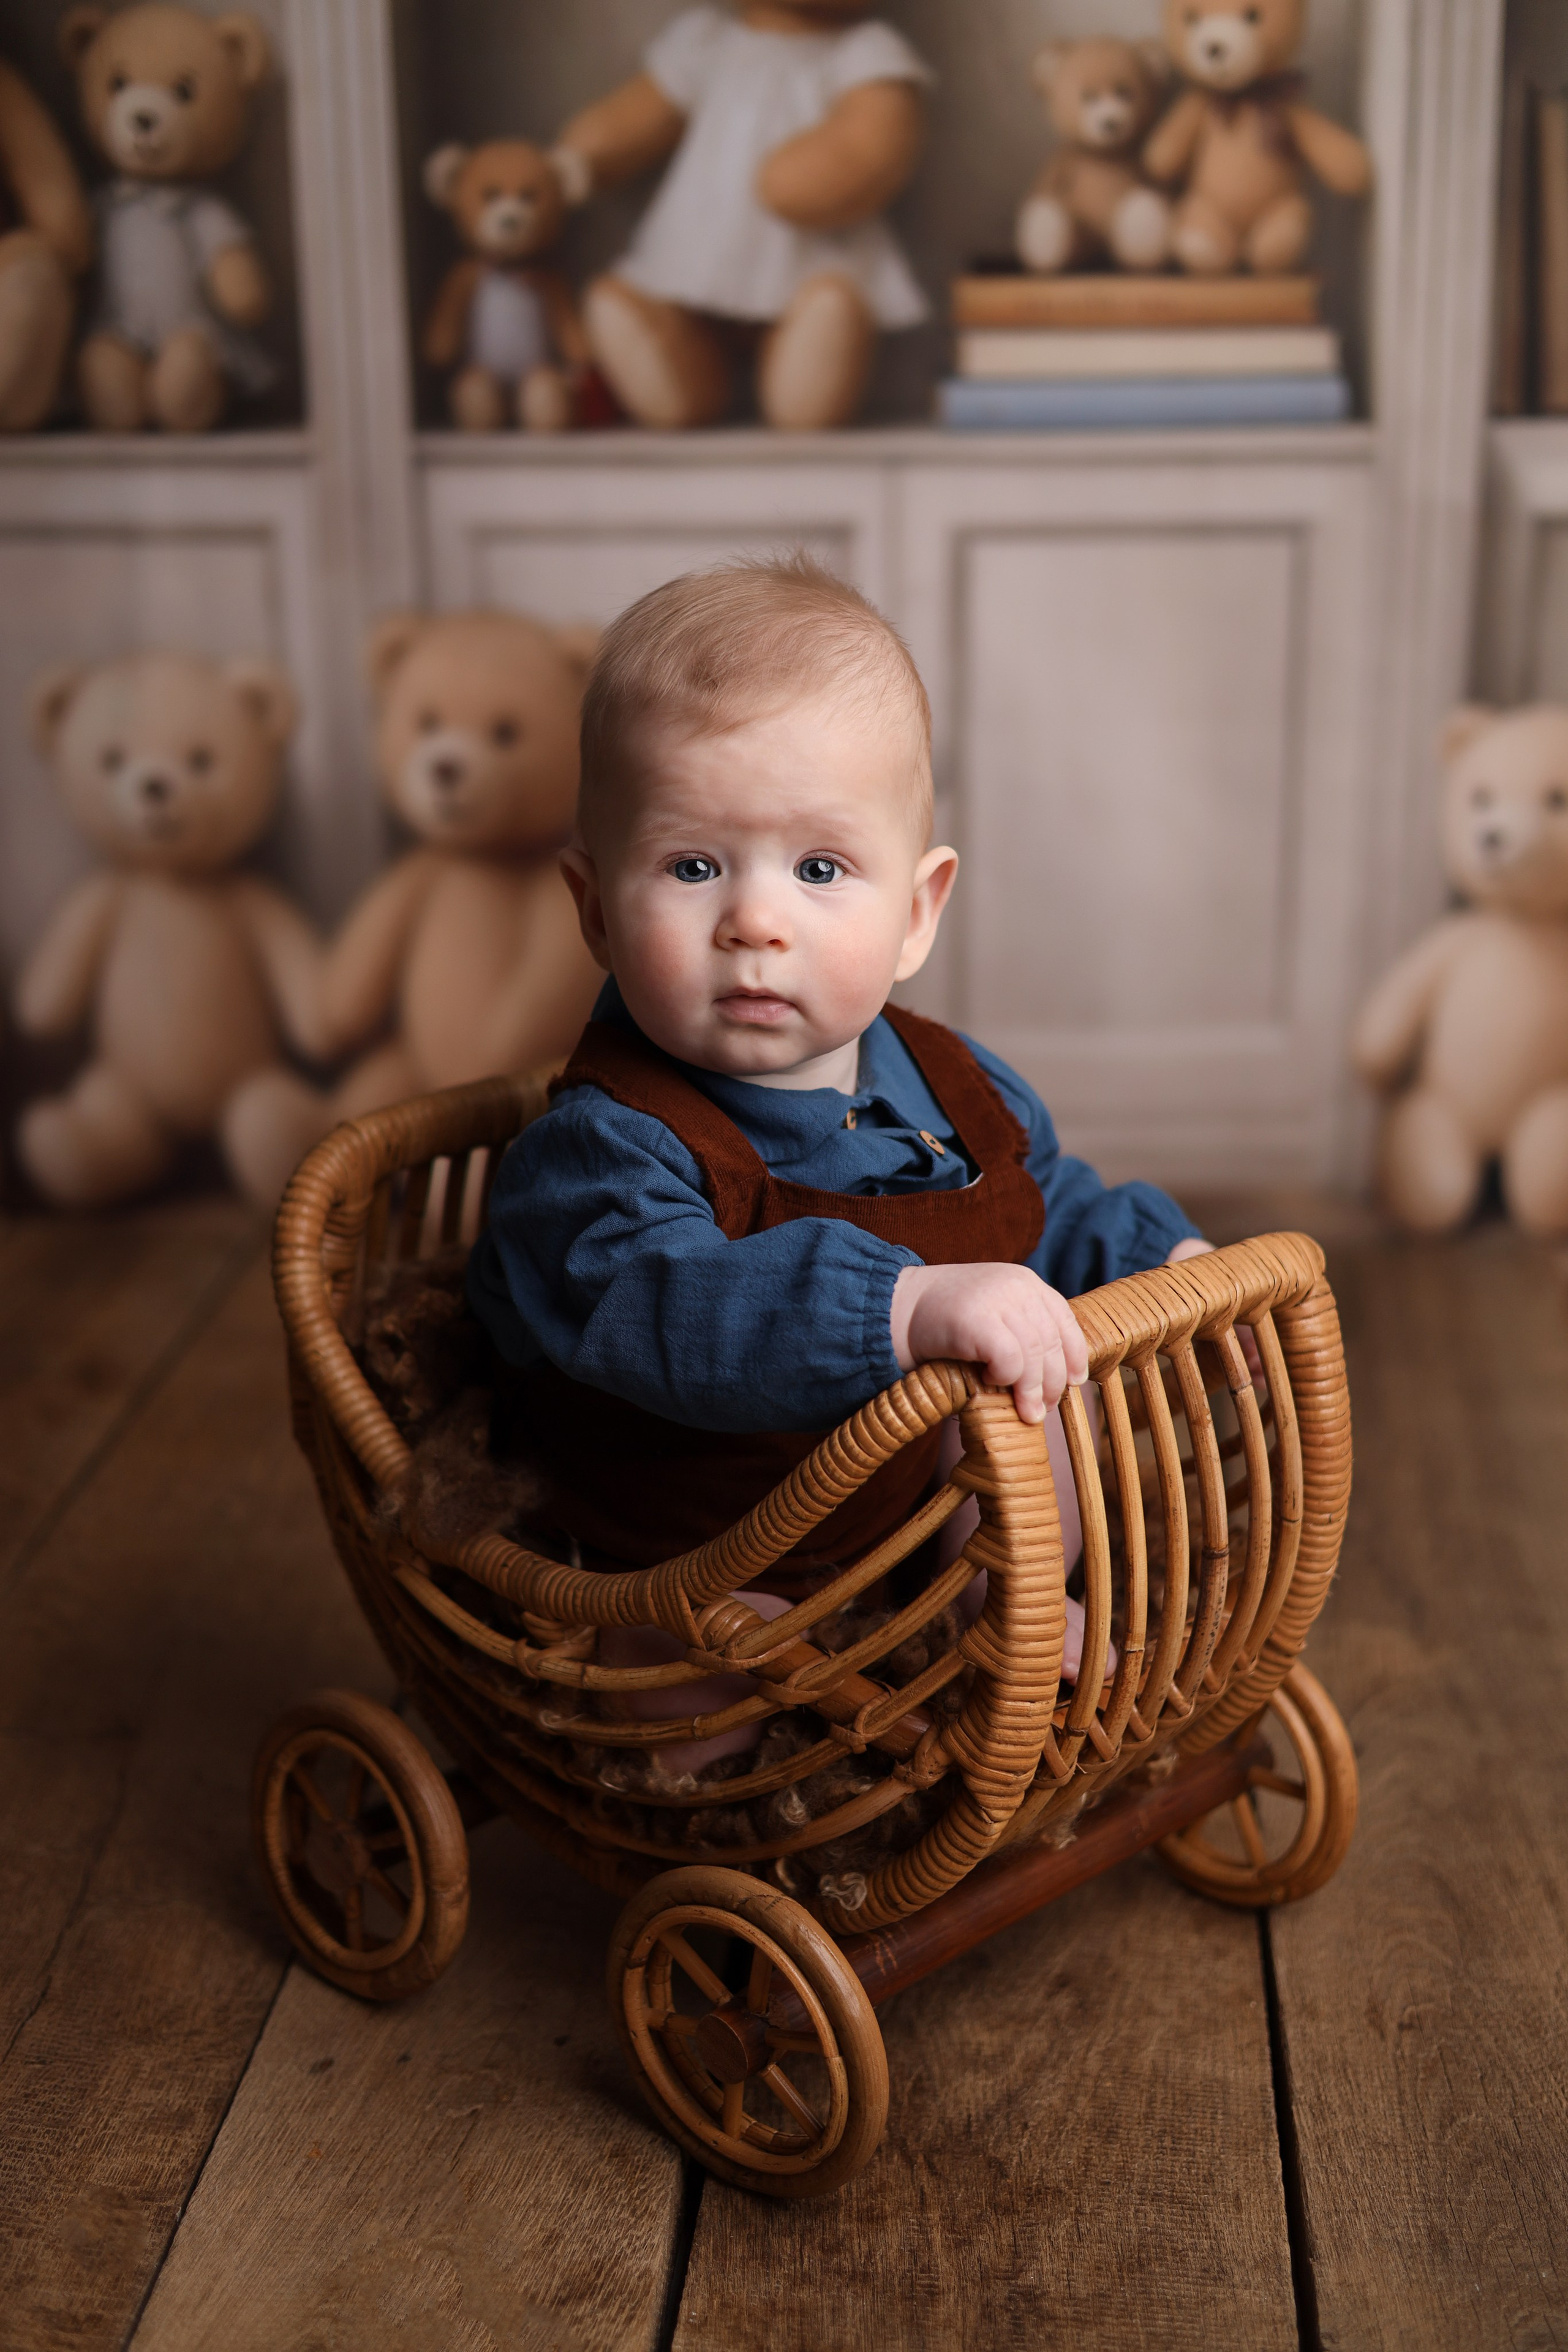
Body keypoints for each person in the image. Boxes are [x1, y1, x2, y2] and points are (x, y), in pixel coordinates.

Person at [466, 554, 1216, 1765]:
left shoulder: (954, 1085)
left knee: (1041, 1390)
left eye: (819, 870)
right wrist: (904, 1304)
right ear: (596, 911)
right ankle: (666, 1677)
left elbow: (1038, 1207)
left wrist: (1160, 1259)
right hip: (694, 1551)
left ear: (915, 914)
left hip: (904, 1529)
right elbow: (671, 1308)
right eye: (693, 866)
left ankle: (998, 1604)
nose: (756, 922)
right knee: (702, 1704)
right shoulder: (596, 1155)